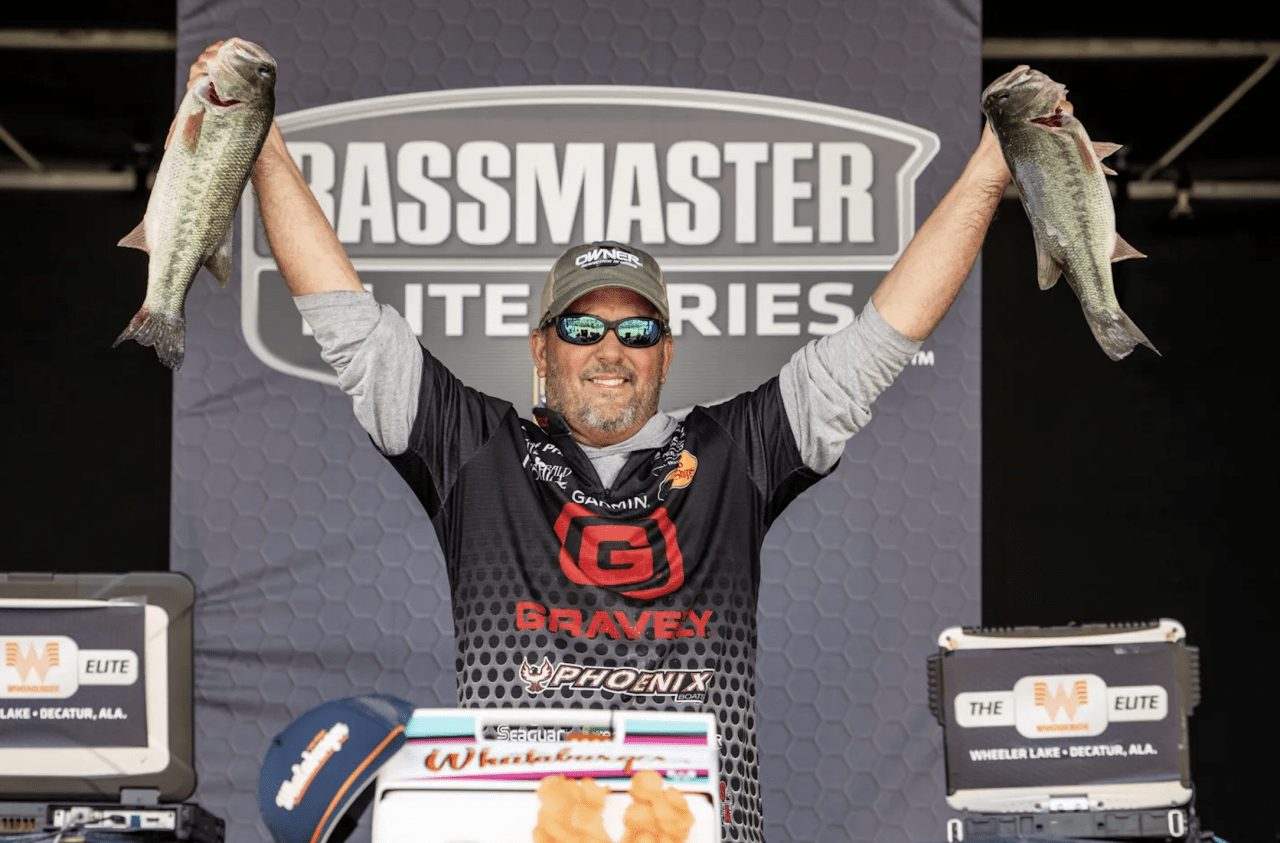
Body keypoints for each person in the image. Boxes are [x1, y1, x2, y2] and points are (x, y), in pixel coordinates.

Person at [192, 41, 1011, 843]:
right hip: (515, 829)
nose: (610, 350)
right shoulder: (476, 450)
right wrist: (258, 136)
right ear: (542, 349)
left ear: (666, 353)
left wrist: (990, 169)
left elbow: (879, 340)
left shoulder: (736, 453)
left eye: (637, 329)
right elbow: (348, 322)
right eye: (583, 328)